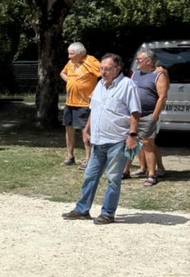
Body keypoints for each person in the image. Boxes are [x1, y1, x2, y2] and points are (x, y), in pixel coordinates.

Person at [62, 53, 141, 225]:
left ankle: (107, 213)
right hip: (98, 141)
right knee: (90, 176)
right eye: (101, 68)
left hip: (117, 141)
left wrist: (132, 135)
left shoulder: (128, 85)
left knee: (113, 178)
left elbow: (135, 112)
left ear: (117, 69)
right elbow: (94, 109)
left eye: (107, 69)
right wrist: (86, 129)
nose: (103, 72)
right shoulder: (100, 85)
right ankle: (82, 210)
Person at [122, 47, 169, 186]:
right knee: (131, 142)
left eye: (139, 59)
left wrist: (154, 117)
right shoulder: (134, 75)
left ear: (148, 61)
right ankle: (125, 171)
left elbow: (162, 97)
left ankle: (152, 175)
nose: (136, 61)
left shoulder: (158, 75)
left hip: (148, 115)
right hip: (134, 115)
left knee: (148, 145)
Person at [59, 42, 100, 169]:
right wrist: (70, 81)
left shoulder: (91, 61)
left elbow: (105, 75)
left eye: (71, 54)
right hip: (69, 102)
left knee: (85, 130)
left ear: (80, 54)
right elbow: (62, 73)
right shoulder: (71, 63)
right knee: (68, 128)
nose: (69, 57)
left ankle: (89, 158)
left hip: (84, 103)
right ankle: (70, 156)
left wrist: (96, 91)